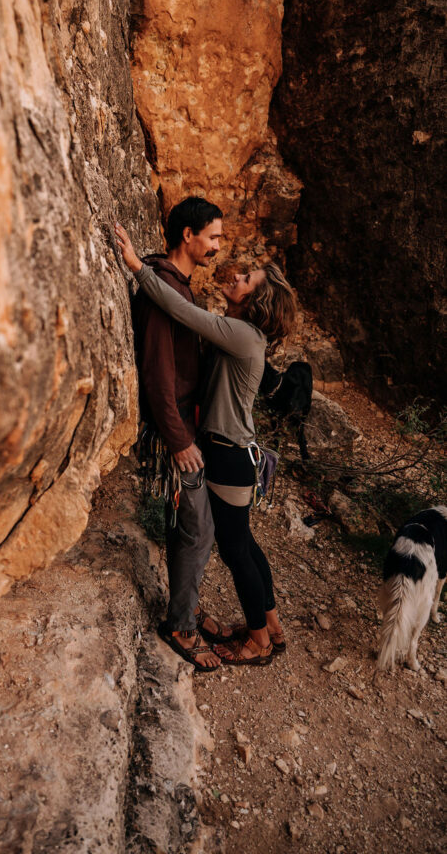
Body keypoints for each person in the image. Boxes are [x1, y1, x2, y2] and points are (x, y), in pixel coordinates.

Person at [116, 222, 296, 666]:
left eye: (246, 281)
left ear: (254, 300)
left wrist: (139, 268)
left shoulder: (242, 336)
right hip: (237, 454)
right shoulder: (245, 334)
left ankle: (257, 642)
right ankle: (271, 628)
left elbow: (182, 312)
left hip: (229, 455)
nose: (236, 276)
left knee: (236, 551)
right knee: (247, 547)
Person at [131, 197, 228, 672]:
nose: (217, 247)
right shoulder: (163, 289)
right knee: (197, 528)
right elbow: (156, 372)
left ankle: (183, 607)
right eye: (212, 237)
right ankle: (181, 626)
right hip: (176, 432)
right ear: (187, 235)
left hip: (184, 425)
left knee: (186, 526)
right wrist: (178, 440)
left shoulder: (176, 286)